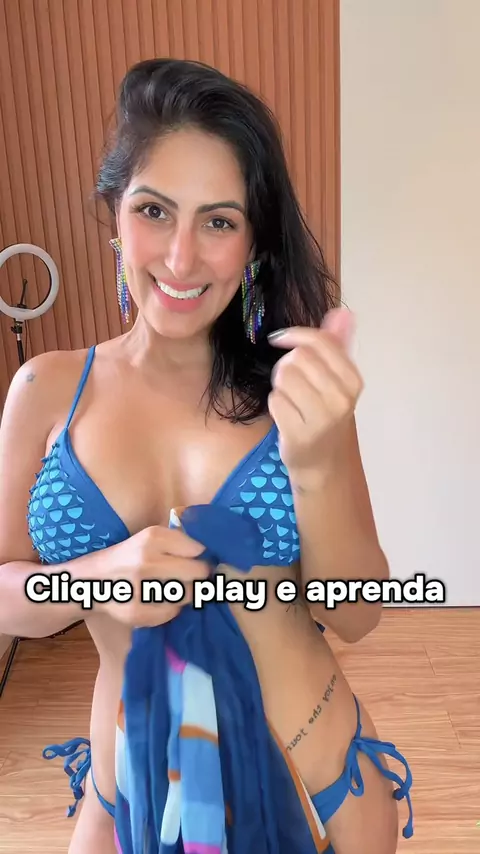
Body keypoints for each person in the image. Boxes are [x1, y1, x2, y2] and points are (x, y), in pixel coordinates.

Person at [0, 58, 413, 854]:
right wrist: (93, 578)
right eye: (155, 210)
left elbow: (356, 613)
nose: (182, 257)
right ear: (115, 214)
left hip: (312, 791)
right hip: (133, 791)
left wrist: (317, 464)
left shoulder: (294, 394)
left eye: (219, 222)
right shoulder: (46, 389)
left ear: (253, 243)